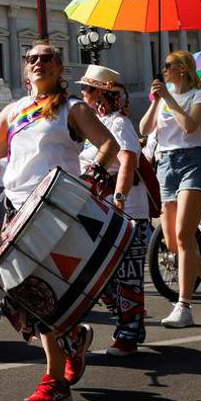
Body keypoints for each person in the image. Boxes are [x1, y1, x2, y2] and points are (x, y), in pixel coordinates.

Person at [0, 39, 116, 401]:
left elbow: (107, 145)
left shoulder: (72, 109)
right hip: (15, 210)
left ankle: (55, 380)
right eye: (32, 58)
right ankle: (72, 338)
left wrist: (93, 172)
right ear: (25, 67)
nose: (39, 63)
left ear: (60, 69)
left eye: (47, 58)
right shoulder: (12, 111)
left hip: (57, 210)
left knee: (43, 295)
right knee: (12, 292)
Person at [140, 50, 201, 328]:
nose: (163, 70)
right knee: (173, 244)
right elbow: (144, 128)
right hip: (165, 165)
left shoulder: (198, 97)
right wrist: (157, 102)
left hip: (193, 161)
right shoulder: (163, 96)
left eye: (168, 66)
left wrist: (168, 100)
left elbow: (190, 127)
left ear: (182, 69)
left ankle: (184, 306)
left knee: (183, 235)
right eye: (163, 66)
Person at [76, 64, 152, 356]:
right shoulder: (94, 126)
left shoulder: (119, 124)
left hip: (127, 212)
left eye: (87, 89)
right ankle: (130, 323)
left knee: (127, 277)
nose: (82, 93)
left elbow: (128, 162)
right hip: (102, 210)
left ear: (102, 94)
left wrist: (119, 199)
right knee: (100, 277)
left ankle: (128, 335)